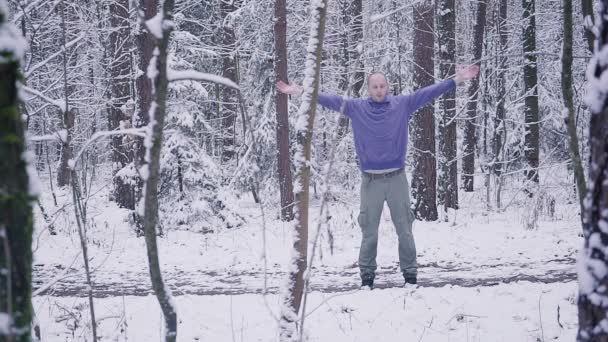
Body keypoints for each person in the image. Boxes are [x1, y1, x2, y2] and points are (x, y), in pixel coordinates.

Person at [277, 65, 480, 289]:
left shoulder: (402, 105)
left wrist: (456, 80)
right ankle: (367, 278)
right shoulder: (356, 108)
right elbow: (328, 100)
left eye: (382, 86)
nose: (379, 90)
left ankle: (410, 276)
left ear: (388, 87)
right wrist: (301, 91)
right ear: (368, 89)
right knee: (369, 231)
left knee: (405, 229)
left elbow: (429, 92)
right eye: (375, 86)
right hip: (370, 181)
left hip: (397, 179)